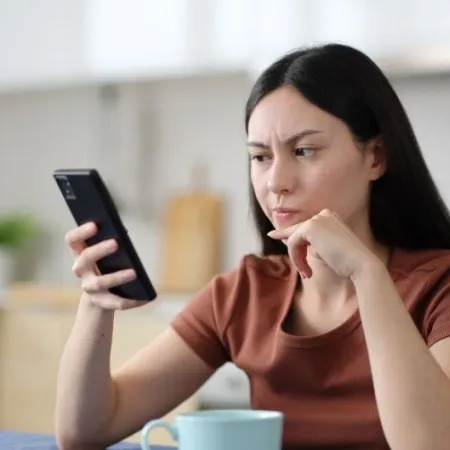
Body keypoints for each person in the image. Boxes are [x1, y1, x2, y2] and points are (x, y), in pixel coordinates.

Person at [55, 43, 450, 450]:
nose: (276, 181)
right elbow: (85, 432)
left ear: (376, 157)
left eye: (304, 150)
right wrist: (95, 303)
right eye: (260, 157)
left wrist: (367, 274)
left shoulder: (440, 286)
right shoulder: (246, 293)